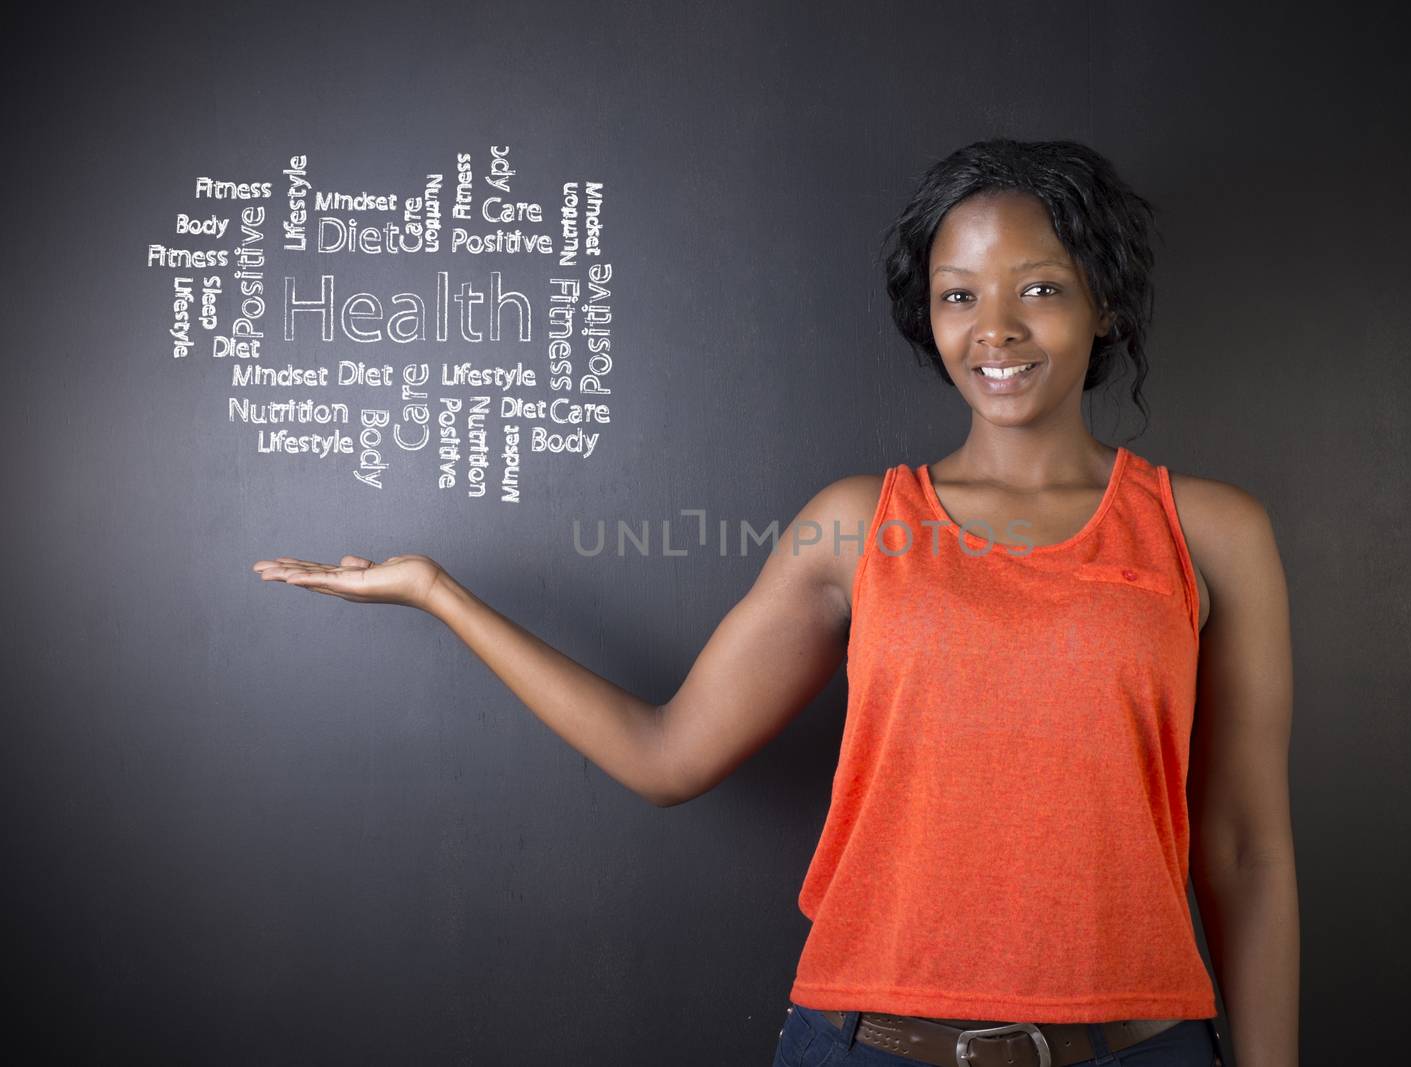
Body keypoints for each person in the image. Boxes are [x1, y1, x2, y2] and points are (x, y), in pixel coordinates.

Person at [253, 137, 1298, 1067]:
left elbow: (1245, 846)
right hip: (867, 1044)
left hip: (1140, 1045)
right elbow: (666, 755)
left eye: (1038, 289)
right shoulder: (854, 522)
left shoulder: (1206, 529)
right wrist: (439, 592)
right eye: (957, 293)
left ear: (1101, 300)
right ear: (925, 313)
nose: (995, 329)